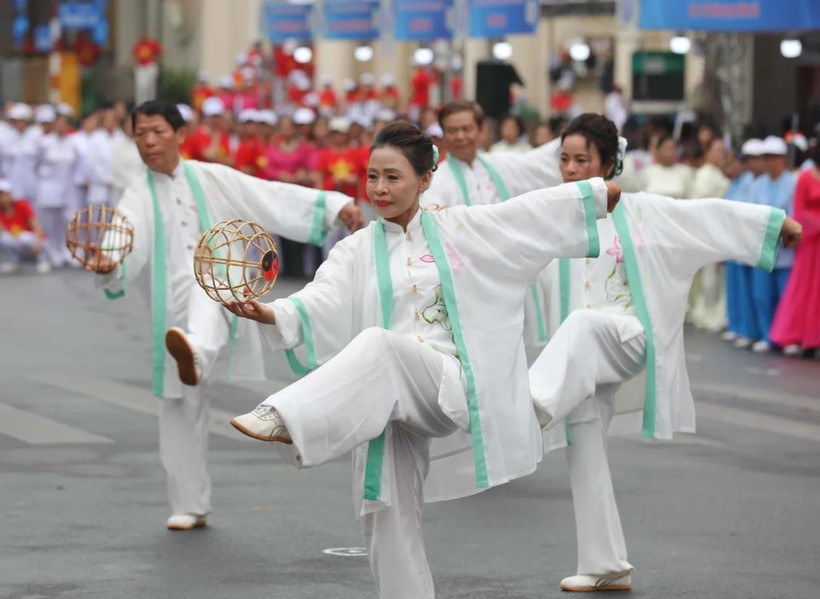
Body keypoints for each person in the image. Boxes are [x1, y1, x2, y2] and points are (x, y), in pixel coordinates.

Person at [226, 121, 616, 599]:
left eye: (393, 177)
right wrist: (268, 312)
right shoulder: (355, 250)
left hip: (444, 387)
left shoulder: (460, 228)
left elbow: (524, 217)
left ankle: (289, 416)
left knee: (378, 344)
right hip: (381, 398)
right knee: (383, 515)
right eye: (372, 177)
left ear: (425, 179)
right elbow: (315, 303)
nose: (379, 189)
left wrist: (594, 196)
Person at [530, 114, 801, 593]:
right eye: (565, 160)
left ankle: (529, 402)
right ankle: (604, 563)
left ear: (609, 164)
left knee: (583, 324)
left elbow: (706, 218)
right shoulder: (545, 216)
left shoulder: (642, 210)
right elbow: (489, 231)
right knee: (583, 443)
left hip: (627, 335)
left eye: (582, 160)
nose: (570, 169)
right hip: (577, 358)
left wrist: (773, 225)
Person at [85, 101, 363, 531]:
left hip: (223, 298)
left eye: (157, 131)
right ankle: (189, 503)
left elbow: (266, 194)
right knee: (179, 406)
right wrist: (107, 261)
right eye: (141, 133)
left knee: (207, 282)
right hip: (169, 318)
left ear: (179, 135)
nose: (149, 141)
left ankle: (196, 350)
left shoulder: (209, 177)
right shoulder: (137, 194)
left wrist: (332, 206)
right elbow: (124, 234)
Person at [770, 142, 820, 356]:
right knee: (805, 289)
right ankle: (796, 336)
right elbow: (798, 211)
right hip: (811, 243)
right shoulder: (806, 177)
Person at [748, 135, 795, 353]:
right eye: (767, 157)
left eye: (775, 157)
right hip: (762, 249)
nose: (771, 162)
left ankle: (787, 337)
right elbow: (749, 214)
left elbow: (795, 216)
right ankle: (767, 335)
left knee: (786, 296)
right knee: (762, 295)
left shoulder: (793, 183)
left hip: (786, 251)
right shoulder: (757, 185)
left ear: (784, 159)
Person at [722, 142, 764, 347]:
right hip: (734, 242)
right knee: (736, 290)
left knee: (751, 293)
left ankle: (750, 330)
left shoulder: (752, 181)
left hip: (747, 243)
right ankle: (737, 326)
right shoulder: (736, 183)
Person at [688, 136, 731, 332]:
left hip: (722, 228)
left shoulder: (720, 174)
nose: (721, 154)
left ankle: (715, 311)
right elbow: (699, 202)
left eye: (723, 150)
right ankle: (705, 311)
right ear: (708, 152)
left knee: (716, 275)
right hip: (708, 229)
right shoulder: (705, 174)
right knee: (708, 275)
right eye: (717, 150)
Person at [34, 107, 80, 269]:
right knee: (49, 223)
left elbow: (76, 166)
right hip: (48, 188)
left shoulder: (72, 143)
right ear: (54, 125)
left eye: (64, 124)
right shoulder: (44, 143)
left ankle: (66, 252)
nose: (61, 127)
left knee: (65, 222)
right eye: (58, 123)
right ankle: (51, 253)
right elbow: (36, 165)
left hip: (67, 189)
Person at [0, 179, 48, 274]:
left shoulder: (22, 205)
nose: (2, 198)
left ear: (11, 195)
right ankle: (13, 260)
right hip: (15, 238)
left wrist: (39, 243)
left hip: (31, 238)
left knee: (23, 238)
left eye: (4, 194)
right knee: (4, 238)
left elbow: (35, 225)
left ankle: (42, 260)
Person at [86, 105, 126, 205]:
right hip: (99, 190)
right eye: (107, 119)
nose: (110, 122)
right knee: (97, 219)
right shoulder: (95, 138)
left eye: (112, 119)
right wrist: (108, 179)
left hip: (118, 189)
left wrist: (116, 179)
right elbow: (92, 164)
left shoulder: (122, 138)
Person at [1, 103, 39, 203]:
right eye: (17, 121)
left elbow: (39, 162)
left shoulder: (35, 136)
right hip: (9, 184)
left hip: (31, 184)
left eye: (23, 121)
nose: (20, 123)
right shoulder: (3, 137)